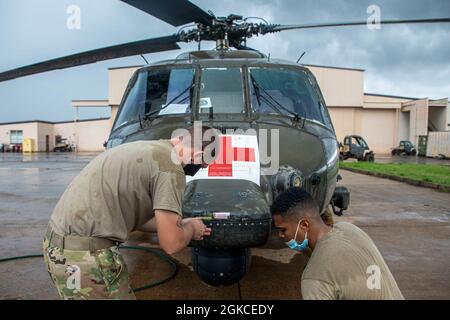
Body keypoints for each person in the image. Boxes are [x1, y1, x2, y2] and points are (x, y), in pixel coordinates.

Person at [43, 125, 216, 299]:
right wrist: (191, 230)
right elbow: (171, 244)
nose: (197, 169)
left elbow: (137, 218)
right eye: (201, 165)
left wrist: (180, 224)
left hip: (58, 247)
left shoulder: (145, 149)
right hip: (86, 257)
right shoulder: (170, 167)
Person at [271, 187, 404, 300]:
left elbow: (325, 264)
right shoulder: (350, 230)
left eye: (283, 229)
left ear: (304, 225)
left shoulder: (315, 277)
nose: (281, 235)